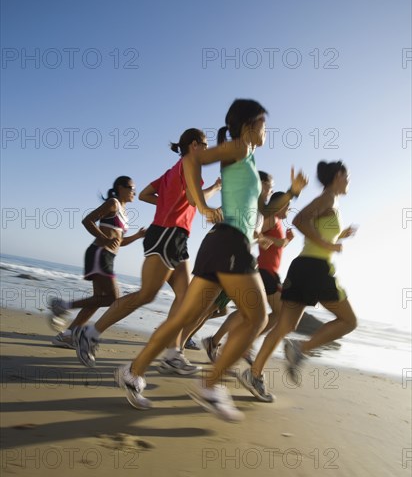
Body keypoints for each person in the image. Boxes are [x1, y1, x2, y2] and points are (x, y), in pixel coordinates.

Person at [111, 99, 308, 421]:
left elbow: (261, 212)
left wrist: (292, 193)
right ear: (248, 126)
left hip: (219, 245)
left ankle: (132, 373)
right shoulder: (240, 149)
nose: (266, 132)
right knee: (258, 318)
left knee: (181, 320)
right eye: (263, 125)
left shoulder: (246, 157)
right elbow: (194, 161)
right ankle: (211, 385)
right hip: (230, 244)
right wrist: (201, 205)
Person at [73, 129, 221, 374]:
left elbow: (144, 195)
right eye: (205, 145)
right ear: (194, 145)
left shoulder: (175, 169)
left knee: (185, 297)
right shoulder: (190, 164)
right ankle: (89, 333)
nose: (207, 149)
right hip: (166, 234)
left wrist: (205, 192)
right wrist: (209, 210)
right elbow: (195, 201)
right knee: (147, 294)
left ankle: (173, 354)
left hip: (177, 238)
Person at [240, 160, 358, 402]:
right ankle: (300, 349)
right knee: (349, 321)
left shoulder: (330, 201)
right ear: (338, 176)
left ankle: (254, 374)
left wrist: (339, 234)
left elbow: (316, 227)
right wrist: (328, 245)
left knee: (285, 326)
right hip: (316, 268)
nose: (349, 181)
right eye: (347, 176)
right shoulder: (328, 198)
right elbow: (300, 220)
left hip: (304, 267)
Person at [202, 191, 295, 372]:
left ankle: (217, 342)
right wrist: (275, 240)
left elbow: (269, 241)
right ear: (280, 204)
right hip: (265, 272)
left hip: (268, 272)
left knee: (247, 314)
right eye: (287, 206)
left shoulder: (275, 221)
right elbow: (254, 234)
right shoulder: (272, 219)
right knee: (278, 312)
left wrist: (284, 241)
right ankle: (243, 344)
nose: (289, 210)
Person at [49, 176, 146, 348]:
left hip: (107, 256)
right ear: (120, 187)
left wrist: (138, 236)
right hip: (99, 254)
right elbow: (88, 220)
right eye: (132, 188)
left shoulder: (125, 213)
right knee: (112, 298)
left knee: (98, 299)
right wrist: (104, 238)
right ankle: (63, 305)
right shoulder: (113, 203)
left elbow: (119, 241)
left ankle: (67, 335)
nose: (134, 192)